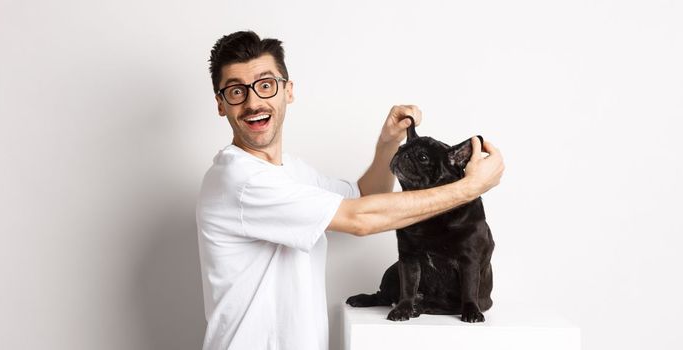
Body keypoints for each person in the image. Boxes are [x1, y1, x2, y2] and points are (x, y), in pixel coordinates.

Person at [195, 30, 505, 350]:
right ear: (221, 104)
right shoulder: (240, 180)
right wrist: (469, 188)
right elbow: (360, 220)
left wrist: (388, 143)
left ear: (288, 91)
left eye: (265, 85)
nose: (253, 102)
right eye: (235, 91)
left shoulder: (290, 171)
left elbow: (362, 197)